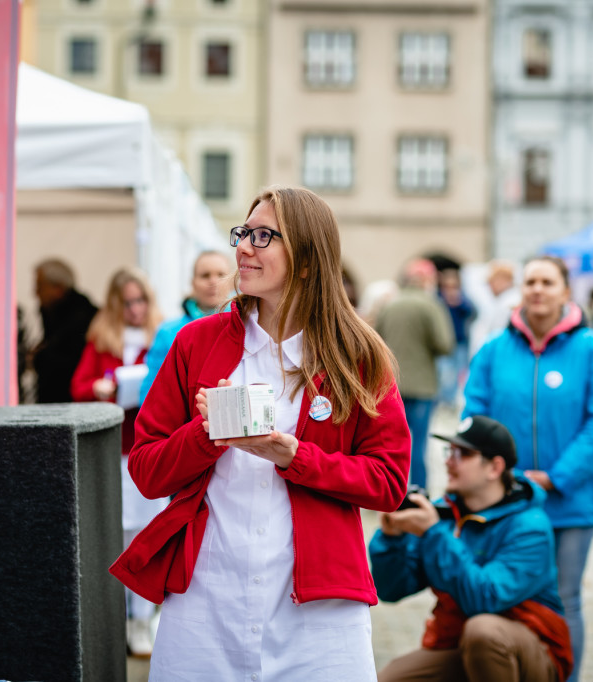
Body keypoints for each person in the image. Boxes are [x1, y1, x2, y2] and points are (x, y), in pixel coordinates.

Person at [110, 186, 411, 680]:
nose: (244, 247)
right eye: (243, 233)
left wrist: (294, 456)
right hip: (204, 598)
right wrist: (206, 435)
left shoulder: (359, 356)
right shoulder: (195, 341)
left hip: (319, 610)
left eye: (264, 235)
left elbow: (388, 482)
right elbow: (146, 470)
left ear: (309, 261)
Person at [462, 256, 593, 682]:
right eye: (530, 281)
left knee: (565, 599)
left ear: (565, 291)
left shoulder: (591, 349)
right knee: (507, 598)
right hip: (505, 502)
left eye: (547, 282)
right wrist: (497, 476)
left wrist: (555, 476)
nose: (537, 289)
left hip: (570, 501)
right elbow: (474, 416)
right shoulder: (494, 350)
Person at [370, 415, 573, 682]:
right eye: (449, 451)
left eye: (462, 453)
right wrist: (391, 538)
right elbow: (391, 590)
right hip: (460, 643)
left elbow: (486, 598)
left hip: (531, 651)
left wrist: (433, 534)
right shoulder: (447, 514)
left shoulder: (530, 527)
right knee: (391, 678)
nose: (448, 461)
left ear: (494, 467)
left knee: (483, 632)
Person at [69, 265, 163, 657]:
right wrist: (98, 387)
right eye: (128, 302)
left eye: (141, 300)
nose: (135, 309)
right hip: (114, 452)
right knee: (118, 535)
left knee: (147, 533)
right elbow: (77, 387)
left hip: (147, 447)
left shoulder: (162, 335)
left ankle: (142, 617)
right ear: (115, 303)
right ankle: (120, 618)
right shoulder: (102, 338)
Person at [375, 258, 455, 490]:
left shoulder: (390, 304)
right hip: (421, 386)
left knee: (389, 444)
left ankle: (389, 490)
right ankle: (419, 494)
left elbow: (375, 339)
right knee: (417, 445)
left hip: (389, 385)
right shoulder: (430, 305)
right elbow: (444, 344)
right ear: (426, 280)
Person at [140, 250, 232, 399]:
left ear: (232, 281)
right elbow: (151, 392)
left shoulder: (246, 327)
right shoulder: (167, 332)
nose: (213, 281)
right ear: (193, 282)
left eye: (221, 275)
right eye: (205, 275)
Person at [31, 258, 98, 404]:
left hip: (69, 403)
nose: (35, 292)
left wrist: (39, 357)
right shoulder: (51, 311)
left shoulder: (82, 317)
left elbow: (63, 363)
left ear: (59, 289)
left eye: (40, 286)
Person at [435, 268, 477, 411]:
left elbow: (473, 313)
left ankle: (451, 401)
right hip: (445, 344)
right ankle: (444, 401)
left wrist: (459, 302)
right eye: (447, 285)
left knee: (459, 374)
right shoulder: (438, 299)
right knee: (445, 374)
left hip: (460, 343)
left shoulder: (463, 298)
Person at [471, 259, 522, 354]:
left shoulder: (509, 304)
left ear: (502, 280)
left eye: (491, 282)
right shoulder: (505, 301)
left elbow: (498, 336)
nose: (489, 287)